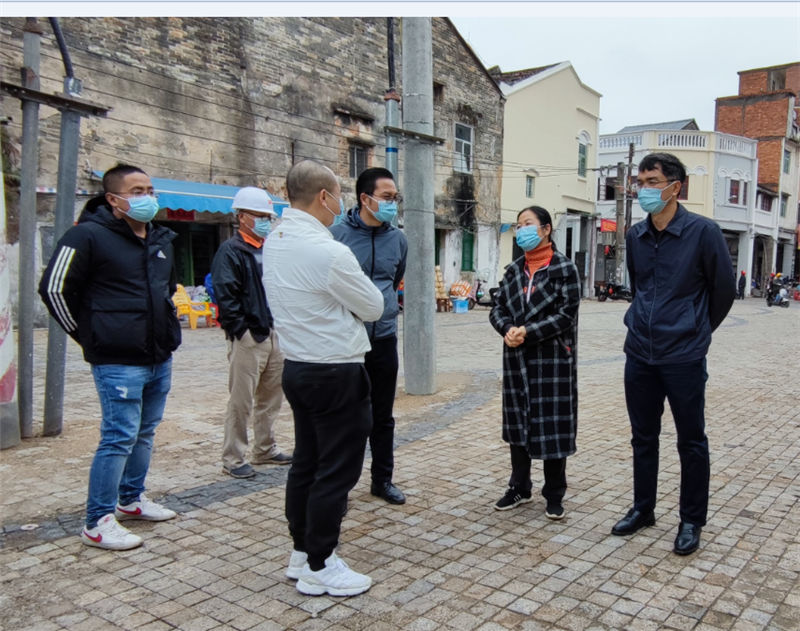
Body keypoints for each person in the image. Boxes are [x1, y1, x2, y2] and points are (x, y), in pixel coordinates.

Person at [38, 164, 180, 550]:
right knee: (118, 437)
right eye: (137, 191)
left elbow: (166, 292)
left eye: (150, 190)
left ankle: (131, 500)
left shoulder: (161, 238)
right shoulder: (87, 235)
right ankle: (97, 521)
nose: (147, 198)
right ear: (114, 199)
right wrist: (89, 336)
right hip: (117, 361)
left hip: (158, 356)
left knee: (145, 432)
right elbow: (53, 289)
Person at [263, 160, 384, 597]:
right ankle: (321, 562)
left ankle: (302, 551)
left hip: (299, 366)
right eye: (338, 195)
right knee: (336, 469)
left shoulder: (275, 240)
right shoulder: (328, 250)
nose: (340, 204)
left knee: (308, 463)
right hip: (335, 370)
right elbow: (373, 305)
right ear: (323, 197)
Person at [611, 153, 735, 556]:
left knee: (691, 440)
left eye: (652, 182)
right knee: (643, 437)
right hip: (639, 353)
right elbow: (639, 287)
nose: (643, 190)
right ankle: (643, 509)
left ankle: (691, 520)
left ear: (675, 187)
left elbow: (723, 291)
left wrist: (696, 331)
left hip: (683, 355)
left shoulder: (703, 232)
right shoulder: (636, 235)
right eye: (640, 182)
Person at [489, 206, 581, 520]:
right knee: (518, 425)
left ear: (545, 229)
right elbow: (497, 308)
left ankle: (554, 494)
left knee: (553, 425)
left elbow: (566, 315)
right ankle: (519, 487)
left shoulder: (564, 269)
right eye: (518, 225)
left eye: (528, 224)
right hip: (516, 357)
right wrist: (506, 329)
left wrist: (528, 331)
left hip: (552, 360)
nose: (522, 230)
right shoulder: (514, 270)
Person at [330, 167, 408, 505]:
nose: (393, 203)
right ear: (365, 198)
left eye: (395, 197)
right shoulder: (337, 236)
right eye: (387, 197)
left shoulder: (398, 239)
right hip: (348, 342)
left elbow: (395, 279)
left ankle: (382, 480)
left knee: (382, 416)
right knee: (347, 416)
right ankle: (340, 486)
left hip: (385, 338)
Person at [211, 187, 292, 479]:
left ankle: (265, 448)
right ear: (242, 217)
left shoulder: (269, 248)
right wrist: (240, 330)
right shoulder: (231, 251)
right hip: (248, 336)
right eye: (259, 216)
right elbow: (225, 294)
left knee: (271, 398)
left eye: (267, 217)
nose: (265, 222)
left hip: (274, 331)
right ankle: (233, 457)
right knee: (241, 401)